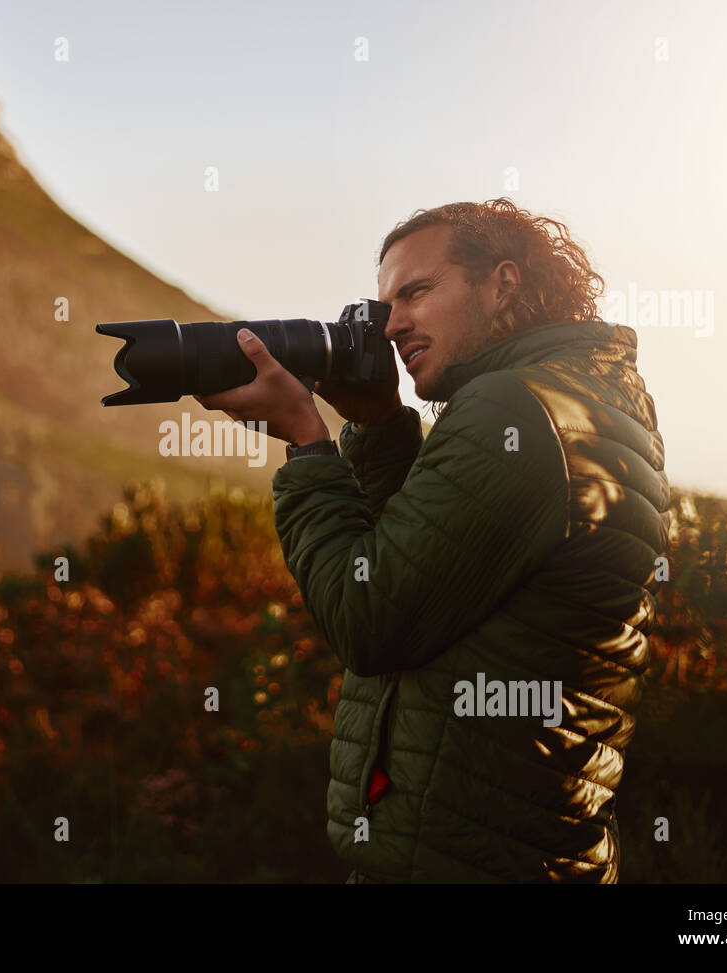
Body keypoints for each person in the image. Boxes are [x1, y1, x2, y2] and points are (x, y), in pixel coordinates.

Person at [194, 198, 671, 882]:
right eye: (385, 303)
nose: (392, 324)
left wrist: (306, 442)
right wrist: (382, 427)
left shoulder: (512, 407)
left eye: (417, 292)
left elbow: (369, 615)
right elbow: (431, 580)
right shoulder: (586, 400)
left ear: (503, 284)